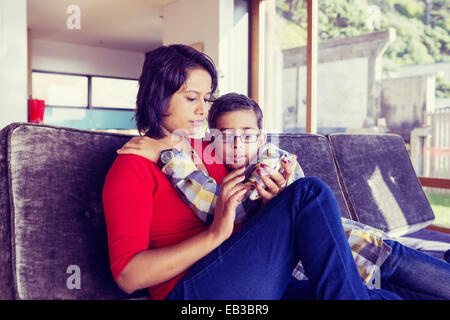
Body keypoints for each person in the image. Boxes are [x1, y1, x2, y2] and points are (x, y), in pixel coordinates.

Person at [103, 44, 449, 300]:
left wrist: (275, 191)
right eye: (190, 97)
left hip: (258, 275)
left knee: (389, 297)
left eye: (206, 99)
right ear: (158, 97)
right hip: (195, 293)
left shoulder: (210, 150)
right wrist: (214, 235)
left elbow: (258, 160)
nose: (201, 110)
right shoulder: (132, 165)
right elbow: (129, 277)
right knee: (309, 192)